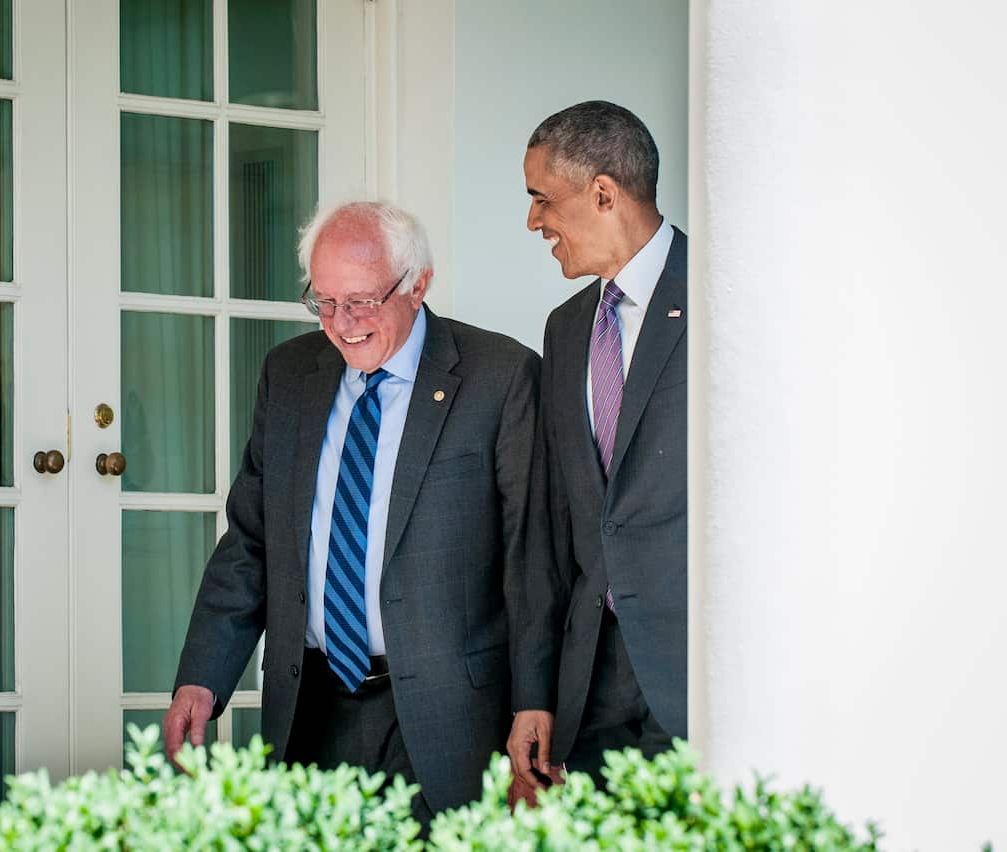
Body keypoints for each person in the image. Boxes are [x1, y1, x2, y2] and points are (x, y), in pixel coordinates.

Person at [163, 201, 541, 823]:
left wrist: (536, 703)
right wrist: (202, 678)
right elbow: (250, 543)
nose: (342, 324)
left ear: (418, 284)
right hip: (312, 702)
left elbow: (532, 561)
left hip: (449, 713)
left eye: (361, 301)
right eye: (325, 300)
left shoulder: (500, 378)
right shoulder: (289, 374)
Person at [507, 101, 688, 797]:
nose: (533, 222)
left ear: (604, 193)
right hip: (592, 683)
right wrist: (537, 692)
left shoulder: (725, 296)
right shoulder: (565, 328)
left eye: (541, 199)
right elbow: (553, 529)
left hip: (698, 676)